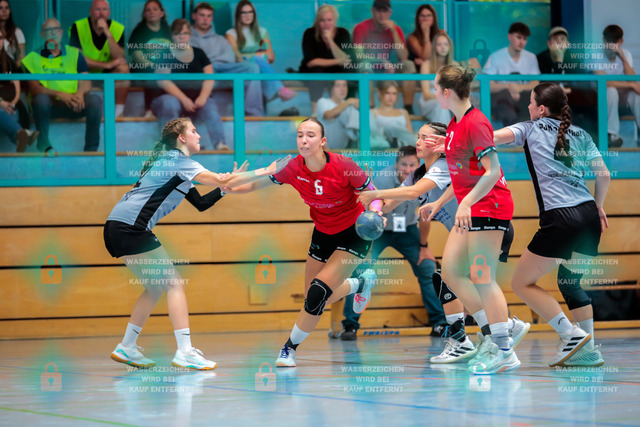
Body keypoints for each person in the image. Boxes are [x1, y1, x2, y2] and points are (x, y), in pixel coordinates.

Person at [106, 117, 291, 370]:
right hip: (130, 228)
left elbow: (201, 203)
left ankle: (127, 346)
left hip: (117, 226)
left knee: (156, 286)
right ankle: (185, 352)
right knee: (174, 284)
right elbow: (222, 180)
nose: (199, 135)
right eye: (194, 131)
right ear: (181, 138)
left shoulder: (173, 165)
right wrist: (266, 170)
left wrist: (225, 185)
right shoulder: (178, 161)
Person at [360, 122, 527, 363]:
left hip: (484, 226)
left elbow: (412, 193)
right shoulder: (418, 174)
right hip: (465, 232)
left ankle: (500, 330)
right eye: (418, 137)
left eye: (424, 137)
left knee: (468, 280)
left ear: (439, 144)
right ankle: (473, 336)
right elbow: (389, 205)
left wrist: (376, 194)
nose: (417, 142)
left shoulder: (445, 165)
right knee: (446, 280)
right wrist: (372, 198)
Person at [224, 118, 385, 367]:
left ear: (323, 141)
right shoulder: (292, 167)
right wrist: (234, 187)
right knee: (313, 299)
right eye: (300, 135)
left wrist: (375, 211)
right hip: (323, 233)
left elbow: (373, 192)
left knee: (318, 291)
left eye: (310, 135)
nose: (304, 140)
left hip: (354, 232)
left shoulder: (344, 165)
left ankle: (289, 349)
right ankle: (361, 283)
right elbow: (257, 183)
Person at [493, 82, 610, 367]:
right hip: (589, 218)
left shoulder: (529, 128)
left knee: (521, 283)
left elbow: (489, 138)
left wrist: (453, 139)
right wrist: (598, 206)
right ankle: (587, 350)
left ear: (541, 109)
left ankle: (570, 334)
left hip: (561, 219)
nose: (528, 107)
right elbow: (604, 174)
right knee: (571, 283)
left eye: (531, 103)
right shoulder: (582, 133)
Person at [418, 65, 519, 374]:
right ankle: (499, 328)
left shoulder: (476, 123)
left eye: (435, 88)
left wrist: (465, 204)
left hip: (490, 206)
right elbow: (462, 175)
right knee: (450, 273)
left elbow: (492, 171)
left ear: (447, 92)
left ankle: (504, 349)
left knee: (481, 277)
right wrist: (439, 202)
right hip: (472, 207)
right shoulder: (454, 124)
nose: (434, 93)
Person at [339, 144, 446, 341]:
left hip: (408, 230)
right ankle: (350, 325)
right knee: (361, 270)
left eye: (412, 165)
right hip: (378, 230)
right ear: (396, 164)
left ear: (419, 165)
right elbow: (366, 206)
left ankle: (439, 322)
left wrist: (424, 247)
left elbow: (425, 216)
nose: (407, 169)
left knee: (427, 268)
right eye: (403, 164)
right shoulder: (381, 179)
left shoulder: (424, 180)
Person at [22, 18, 103, 153]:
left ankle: (91, 150)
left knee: (95, 101)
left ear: (61, 32)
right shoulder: (32, 58)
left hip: (74, 104)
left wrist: (80, 94)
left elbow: (86, 82)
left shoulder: (75, 54)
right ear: (42, 35)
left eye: (56, 29)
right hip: (49, 107)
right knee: (40, 99)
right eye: (49, 30)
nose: (53, 33)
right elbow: (35, 89)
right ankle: (44, 145)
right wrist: (60, 94)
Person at [149, 19, 226, 150]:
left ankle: (220, 144)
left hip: (196, 100)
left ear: (190, 35)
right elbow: (163, 81)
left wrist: (203, 97)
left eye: (185, 33)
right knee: (170, 103)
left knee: (210, 106)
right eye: (177, 34)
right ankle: (172, 146)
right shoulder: (165, 54)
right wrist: (184, 99)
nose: (181, 37)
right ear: (171, 35)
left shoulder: (199, 53)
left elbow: (210, 77)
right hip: (167, 100)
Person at [189, 2, 263, 116]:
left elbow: (230, 58)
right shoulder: (187, 38)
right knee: (210, 68)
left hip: (223, 70)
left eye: (209, 16)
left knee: (252, 67)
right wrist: (209, 64)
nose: (205, 19)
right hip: (204, 74)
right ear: (194, 16)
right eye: (202, 15)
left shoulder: (220, 39)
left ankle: (253, 113)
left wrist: (210, 61)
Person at [353, 0, 417, 114]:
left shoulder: (396, 29)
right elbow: (359, 56)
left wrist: (394, 32)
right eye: (379, 11)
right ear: (372, 11)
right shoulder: (361, 27)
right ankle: (369, 109)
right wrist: (381, 61)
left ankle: (408, 108)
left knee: (409, 65)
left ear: (389, 13)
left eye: (385, 11)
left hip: (388, 72)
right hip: (370, 70)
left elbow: (403, 57)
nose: (382, 14)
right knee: (365, 66)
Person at [225, 0, 296, 103]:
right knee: (257, 60)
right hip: (243, 70)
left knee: (258, 63)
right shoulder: (231, 33)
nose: (247, 15)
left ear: (254, 14)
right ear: (238, 15)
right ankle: (280, 90)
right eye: (244, 12)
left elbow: (270, 57)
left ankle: (274, 93)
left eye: (250, 12)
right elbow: (237, 57)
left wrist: (253, 56)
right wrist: (257, 55)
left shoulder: (262, 31)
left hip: (260, 70)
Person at [69, 0, 129, 118]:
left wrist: (107, 32)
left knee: (123, 68)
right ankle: (81, 109)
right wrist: (107, 65)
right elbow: (76, 58)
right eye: (97, 9)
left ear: (109, 12)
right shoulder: (78, 26)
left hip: (107, 74)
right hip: (83, 72)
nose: (101, 13)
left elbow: (119, 57)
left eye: (104, 9)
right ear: (91, 12)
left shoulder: (117, 28)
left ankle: (118, 112)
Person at [299, 4, 353, 115]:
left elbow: (347, 59)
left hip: (336, 70)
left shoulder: (342, 33)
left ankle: (346, 108)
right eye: (322, 21)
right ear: (317, 22)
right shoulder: (309, 33)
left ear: (335, 20)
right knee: (316, 72)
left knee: (348, 71)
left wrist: (330, 41)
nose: (326, 24)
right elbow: (311, 62)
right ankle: (315, 111)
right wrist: (338, 61)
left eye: (329, 20)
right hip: (314, 71)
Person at [483, 22, 540, 126]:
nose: (521, 42)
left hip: (523, 98)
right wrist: (509, 87)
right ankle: (513, 133)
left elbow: (535, 83)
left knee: (532, 99)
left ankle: (526, 131)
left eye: (525, 39)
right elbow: (487, 84)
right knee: (504, 97)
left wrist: (519, 88)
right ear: (509, 36)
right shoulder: (495, 56)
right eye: (519, 37)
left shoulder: (531, 57)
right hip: (502, 99)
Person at [596, 24, 640, 148]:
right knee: (611, 90)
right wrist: (631, 85)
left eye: (614, 42)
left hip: (621, 96)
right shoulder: (595, 55)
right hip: (600, 97)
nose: (611, 46)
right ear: (603, 40)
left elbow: (631, 77)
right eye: (608, 42)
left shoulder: (625, 54)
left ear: (621, 42)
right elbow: (604, 82)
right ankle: (611, 136)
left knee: (636, 95)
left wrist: (623, 59)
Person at [127, 0, 171, 116]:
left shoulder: (168, 30)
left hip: (164, 68)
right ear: (144, 14)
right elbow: (136, 55)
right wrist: (154, 66)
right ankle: (149, 110)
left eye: (155, 9)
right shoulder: (139, 31)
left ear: (162, 13)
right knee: (153, 73)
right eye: (148, 10)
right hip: (142, 68)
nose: (151, 12)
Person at [0, 28, 37, 152]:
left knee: (11, 112)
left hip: (9, 102)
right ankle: (23, 135)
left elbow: (16, 86)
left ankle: (20, 138)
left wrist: (13, 103)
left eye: (0, 38)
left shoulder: (9, 61)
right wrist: (1, 102)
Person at [418, 31, 455, 124]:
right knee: (441, 104)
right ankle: (444, 132)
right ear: (434, 47)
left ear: (450, 47)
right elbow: (426, 94)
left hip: (449, 101)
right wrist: (445, 97)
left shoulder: (454, 65)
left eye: (446, 44)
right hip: (429, 101)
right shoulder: (426, 65)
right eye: (439, 45)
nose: (443, 47)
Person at [371, 81, 414, 149]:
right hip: (384, 144)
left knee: (394, 125)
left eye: (394, 94)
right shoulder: (373, 112)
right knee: (392, 125)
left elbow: (410, 134)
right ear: (380, 93)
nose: (391, 97)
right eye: (387, 93)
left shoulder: (403, 112)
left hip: (404, 145)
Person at [316, 79, 359, 149]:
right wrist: (348, 102)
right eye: (338, 86)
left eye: (344, 86)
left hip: (344, 148)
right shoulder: (323, 101)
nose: (342, 89)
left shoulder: (349, 104)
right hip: (326, 147)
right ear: (331, 89)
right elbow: (328, 115)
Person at [0, 0, 25, 67]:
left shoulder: (17, 32)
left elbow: (21, 57)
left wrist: (13, 68)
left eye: (6, 8)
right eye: (0, 8)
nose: (4, 11)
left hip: (12, 70)